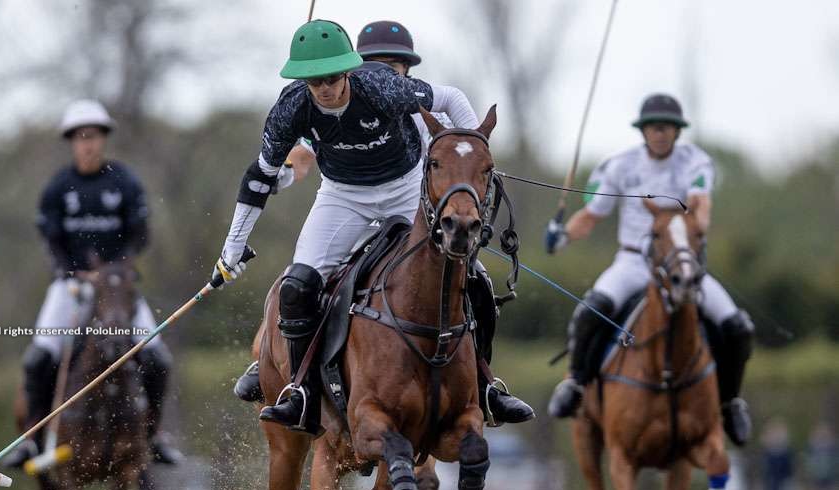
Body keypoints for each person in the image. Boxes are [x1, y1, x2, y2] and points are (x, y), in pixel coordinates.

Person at [216, 20, 532, 436]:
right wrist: (233, 248)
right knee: (297, 286)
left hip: (405, 189)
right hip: (342, 196)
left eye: (331, 78)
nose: (325, 89)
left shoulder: (383, 86)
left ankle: (486, 385)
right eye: (315, 82)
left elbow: (452, 99)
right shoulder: (291, 107)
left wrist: (473, 153)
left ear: (349, 70)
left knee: (473, 276)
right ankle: (301, 393)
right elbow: (259, 177)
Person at [545, 93, 754, 446]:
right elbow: (591, 216)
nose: (660, 133)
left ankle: (730, 401)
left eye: (667, 128)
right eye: (654, 128)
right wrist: (562, 236)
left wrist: (699, 225)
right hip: (632, 262)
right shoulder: (621, 166)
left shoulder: (695, 162)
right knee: (590, 312)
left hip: (680, 264)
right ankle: (577, 384)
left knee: (737, 327)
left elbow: (701, 205)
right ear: (643, 132)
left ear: (677, 132)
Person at [4, 99, 182, 468]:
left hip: (118, 287)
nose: (88, 143)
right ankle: (32, 439)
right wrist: (71, 271)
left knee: (157, 358)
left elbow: (140, 236)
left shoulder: (125, 181)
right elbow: (50, 240)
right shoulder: (58, 187)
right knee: (39, 358)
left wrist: (114, 271)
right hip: (70, 286)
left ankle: (154, 435)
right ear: (72, 141)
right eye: (81, 137)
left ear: (103, 139)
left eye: (94, 136)